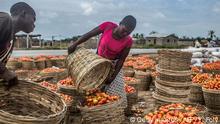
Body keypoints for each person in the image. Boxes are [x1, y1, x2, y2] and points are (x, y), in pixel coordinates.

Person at [68, 15, 136, 106]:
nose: (125, 34)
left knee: (116, 93)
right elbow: (89, 34)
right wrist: (75, 44)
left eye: (128, 33)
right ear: (120, 24)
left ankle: (113, 110)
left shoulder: (128, 41)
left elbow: (121, 60)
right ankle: (89, 107)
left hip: (113, 65)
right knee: (91, 86)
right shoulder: (108, 26)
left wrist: (113, 77)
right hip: (97, 62)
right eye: (124, 30)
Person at [0, 2, 36, 90]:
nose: (34, 25)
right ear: (23, 14)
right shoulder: (5, 19)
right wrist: (4, 71)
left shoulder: (12, 40)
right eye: (33, 19)